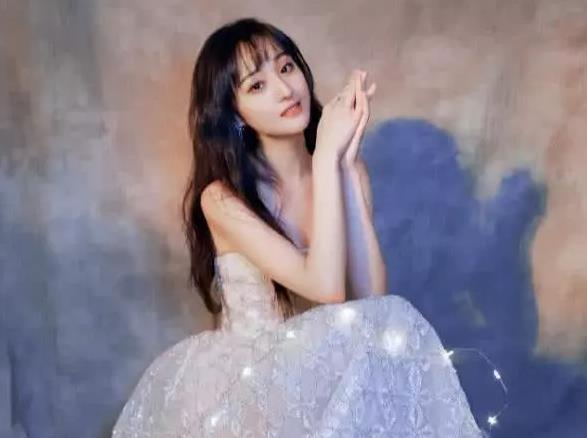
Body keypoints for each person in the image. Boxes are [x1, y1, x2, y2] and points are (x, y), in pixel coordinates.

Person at [111, 17, 483, 437]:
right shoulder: (222, 199)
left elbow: (373, 305)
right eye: (257, 85)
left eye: (286, 67)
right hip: (254, 388)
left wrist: (344, 169)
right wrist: (325, 155)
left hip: (325, 378)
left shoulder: (344, 169)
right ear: (234, 113)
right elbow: (326, 288)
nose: (285, 90)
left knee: (396, 319)